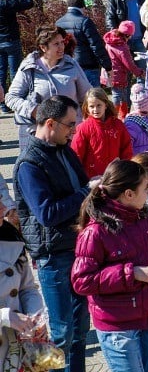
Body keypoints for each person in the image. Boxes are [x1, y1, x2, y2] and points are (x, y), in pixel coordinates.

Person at [71, 159, 148, 372]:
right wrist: (132, 273)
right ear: (128, 194)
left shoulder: (144, 217)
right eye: (145, 189)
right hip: (118, 327)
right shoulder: (95, 232)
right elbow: (82, 281)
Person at [13, 95, 91, 372]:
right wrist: (86, 192)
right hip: (53, 256)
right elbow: (47, 214)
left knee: (81, 329)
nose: (74, 130)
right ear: (50, 123)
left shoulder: (64, 150)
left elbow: (83, 187)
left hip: (79, 248)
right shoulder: (29, 164)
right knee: (61, 331)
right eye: (70, 124)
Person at [5, 25, 91, 149]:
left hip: (70, 135)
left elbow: (87, 96)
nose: (62, 47)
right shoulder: (29, 67)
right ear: (43, 47)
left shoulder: (71, 65)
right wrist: (34, 110)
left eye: (62, 42)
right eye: (56, 44)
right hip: (39, 135)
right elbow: (11, 97)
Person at [0, 202, 45, 369]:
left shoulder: (10, 236)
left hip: (16, 351)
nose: (3, 207)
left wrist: (35, 316)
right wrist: (5, 317)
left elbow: (27, 288)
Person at [71, 87, 133, 179]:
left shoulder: (118, 125)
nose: (95, 109)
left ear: (106, 105)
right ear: (87, 108)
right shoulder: (83, 128)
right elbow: (76, 154)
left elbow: (126, 148)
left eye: (99, 105)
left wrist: (125, 167)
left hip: (115, 175)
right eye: (92, 106)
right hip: (92, 178)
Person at [57, 0, 113, 88]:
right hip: (88, 67)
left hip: (67, 67)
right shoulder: (85, 22)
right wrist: (108, 66)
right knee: (92, 99)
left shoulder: (58, 23)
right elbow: (96, 46)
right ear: (82, 7)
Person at [0, 0, 33, 110]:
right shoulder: (6, 4)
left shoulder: (4, 2)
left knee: (1, 73)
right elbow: (29, 3)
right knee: (15, 72)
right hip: (11, 40)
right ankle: (16, 101)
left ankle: (2, 104)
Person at [103, 21, 145, 113]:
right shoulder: (122, 46)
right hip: (119, 73)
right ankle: (117, 116)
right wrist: (139, 72)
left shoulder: (110, 40)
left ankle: (120, 116)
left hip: (109, 72)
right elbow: (129, 63)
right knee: (119, 95)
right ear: (127, 35)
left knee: (119, 94)